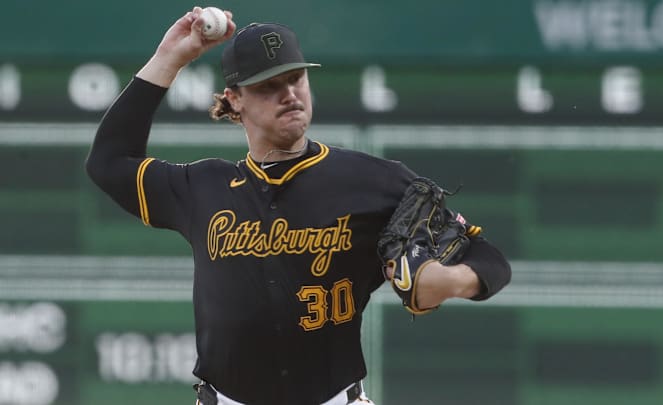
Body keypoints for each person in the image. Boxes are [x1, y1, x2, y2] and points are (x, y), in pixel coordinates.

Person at [85, 6, 511, 405]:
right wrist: (169, 59)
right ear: (235, 99)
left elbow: (491, 259)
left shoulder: (372, 180)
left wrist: (451, 281)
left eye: (296, 79)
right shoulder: (202, 187)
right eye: (269, 86)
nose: (289, 94)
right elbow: (108, 163)